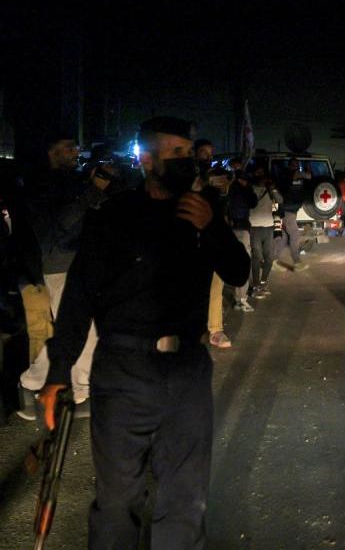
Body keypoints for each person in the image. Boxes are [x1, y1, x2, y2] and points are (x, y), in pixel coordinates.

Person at [39, 116, 249, 546]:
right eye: (176, 153)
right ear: (148, 161)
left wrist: (212, 227)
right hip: (123, 371)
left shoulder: (202, 211)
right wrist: (59, 371)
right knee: (117, 501)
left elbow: (238, 271)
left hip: (187, 370)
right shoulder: (114, 216)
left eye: (188, 152)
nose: (187, 160)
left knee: (186, 500)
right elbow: (78, 297)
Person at [14, 131, 112, 421]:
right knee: (83, 329)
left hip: (81, 262)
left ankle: (32, 383)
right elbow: (57, 228)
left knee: (75, 329)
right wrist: (92, 191)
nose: (75, 152)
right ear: (50, 151)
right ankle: (80, 391)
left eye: (75, 147)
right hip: (59, 265)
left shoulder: (71, 180)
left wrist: (98, 189)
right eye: (68, 147)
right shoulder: (39, 184)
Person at [200, 146, 235, 348]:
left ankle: (215, 329)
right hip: (194, 243)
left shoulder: (223, 197)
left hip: (216, 244)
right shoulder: (195, 187)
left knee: (216, 285)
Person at [248, 163, 282, 298]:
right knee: (256, 257)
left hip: (269, 226)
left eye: (262, 172)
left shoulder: (270, 188)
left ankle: (263, 283)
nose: (260, 175)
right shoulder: (250, 188)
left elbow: (280, 200)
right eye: (257, 172)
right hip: (254, 226)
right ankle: (256, 286)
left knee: (269, 257)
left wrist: (273, 189)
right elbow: (250, 203)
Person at [227, 165, 258, 312]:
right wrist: (248, 189)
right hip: (240, 229)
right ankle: (241, 299)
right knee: (243, 263)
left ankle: (237, 298)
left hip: (229, 229)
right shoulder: (242, 191)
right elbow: (253, 203)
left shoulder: (228, 189)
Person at [278, 158, 309, 270]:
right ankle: (297, 262)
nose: (296, 166)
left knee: (285, 236)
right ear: (290, 165)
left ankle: (273, 260)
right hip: (288, 209)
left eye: (297, 165)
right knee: (295, 235)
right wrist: (308, 168)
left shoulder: (290, 174)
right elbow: (308, 176)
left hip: (290, 209)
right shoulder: (291, 174)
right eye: (295, 164)